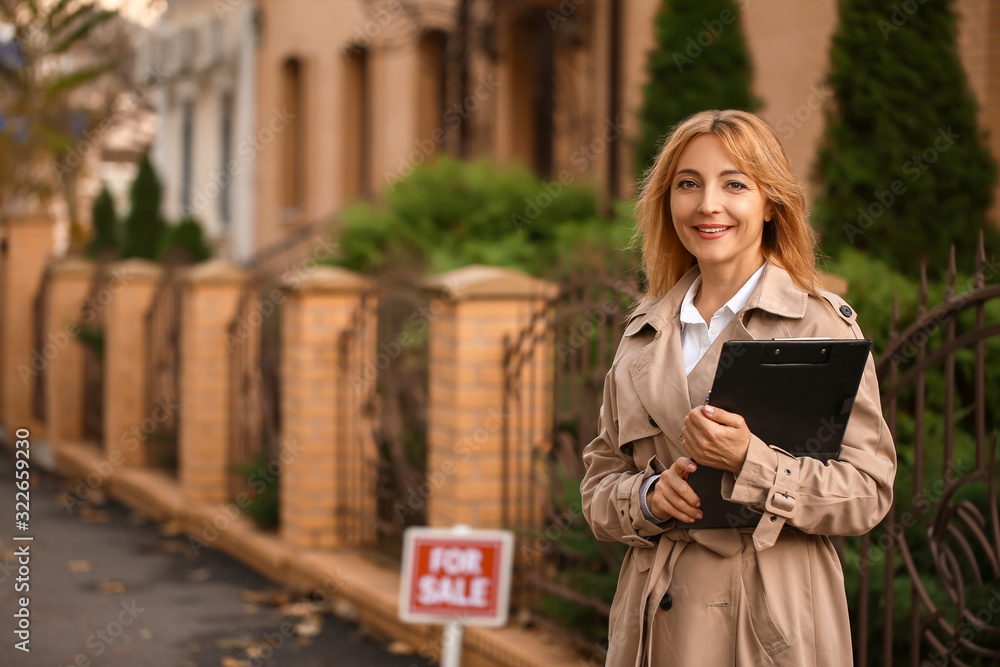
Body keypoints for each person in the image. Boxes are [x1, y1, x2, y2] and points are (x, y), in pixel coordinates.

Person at [580, 109, 896, 666]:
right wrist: (648, 500)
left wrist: (753, 462)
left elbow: (868, 491)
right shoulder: (643, 331)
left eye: (734, 184)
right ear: (667, 201)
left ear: (771, 204)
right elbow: (599, 486)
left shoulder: (819, 326)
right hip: (654, 628)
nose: (708, 205)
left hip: (768, 630)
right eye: (688, 184)